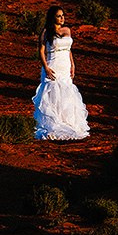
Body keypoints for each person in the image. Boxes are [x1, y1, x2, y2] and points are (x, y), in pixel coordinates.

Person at [33, 8, 90, 142]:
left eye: (63, 15)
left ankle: (68, 122)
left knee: (67, 92)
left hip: (65, 66)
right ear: (53, 18)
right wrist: (46, 67)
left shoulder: (67, 30)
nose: (62, 18)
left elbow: (69, 50)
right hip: (53, 65)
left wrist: (73, 64)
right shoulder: (46, 32)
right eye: (59, 16)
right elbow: (41, 51)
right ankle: (53, 123)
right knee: (52, 93)